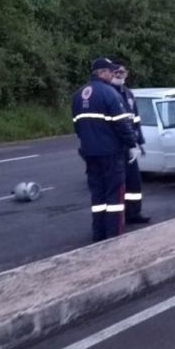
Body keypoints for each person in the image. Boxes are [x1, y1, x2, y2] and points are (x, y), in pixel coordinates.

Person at [71, 57, 138, 242]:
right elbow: (122, 124)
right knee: (115, 193)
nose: (112, 74)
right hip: (111, 152)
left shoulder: (78, 95)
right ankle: (113, 233)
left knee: (98, 194)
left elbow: (77, 126)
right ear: (101, 73)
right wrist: (132, 144)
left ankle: (98, 232)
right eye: (109, 71)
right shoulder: (110, 93)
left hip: (89, 153)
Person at [109, 60, 151, 225]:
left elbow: (136, 119)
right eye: (117, 72)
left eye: (122, 72)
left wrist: (139, 140)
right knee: (119, 184)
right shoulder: (110, 93)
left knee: (134, 182)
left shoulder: (128, 94)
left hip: (130, 144)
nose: (120, 75)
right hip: (118, 146)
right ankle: (119, 217)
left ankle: (134, 213)